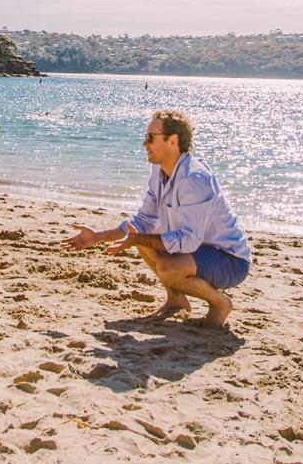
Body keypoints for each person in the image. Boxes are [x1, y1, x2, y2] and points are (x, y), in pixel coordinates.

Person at [63, 109, 250, 328]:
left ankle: (220, 304)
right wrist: (96, 237)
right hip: (199, 252)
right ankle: (176, 299)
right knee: (143, 239)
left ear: (173, 140)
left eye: (151, 137)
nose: (144, 144)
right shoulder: (159, 173)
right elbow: (143, 221)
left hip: (229, 260)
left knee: (166, 265)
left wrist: (139, 239)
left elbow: (188, 240)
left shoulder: (194, 178)